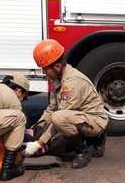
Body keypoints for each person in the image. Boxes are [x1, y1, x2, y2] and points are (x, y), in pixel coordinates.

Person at [25, 39, 108, 169]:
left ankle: (83, 151)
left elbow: (59, 118)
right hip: (78, 116)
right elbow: (51, 109)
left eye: (45, 70)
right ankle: (89, 141)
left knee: (57, 125)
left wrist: (39, 143)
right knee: (51, 130)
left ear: (57, 66)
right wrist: (37, 127)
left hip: (94, 121)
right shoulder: (58, 78)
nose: (44, 74)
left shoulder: (72, 83)